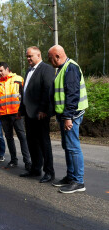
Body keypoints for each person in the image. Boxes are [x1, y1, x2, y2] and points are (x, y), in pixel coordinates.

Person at [48, 45, 88, 193]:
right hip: (65, 115)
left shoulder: (70, 68)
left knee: (73, 147)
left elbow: (72, 94)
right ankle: (71, 177)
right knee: (68, 147)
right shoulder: (62, 68)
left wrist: (68, 117)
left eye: (50, 58)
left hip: (71, 115)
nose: (49, 61)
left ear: (57, 56)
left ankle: (78, 181)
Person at [19, 46, 55, 183]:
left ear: (38, 55)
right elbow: (26, 92)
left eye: (30, 56)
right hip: (29, 114)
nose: (28, 58)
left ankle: (49, 172)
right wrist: (21, 111)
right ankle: (35, 169)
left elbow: (47, 90)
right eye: (27, 56)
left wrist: (43, 110)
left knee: (44, 143)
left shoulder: (46, 69)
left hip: (40, 114)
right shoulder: (29, 71)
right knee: (32, 142)